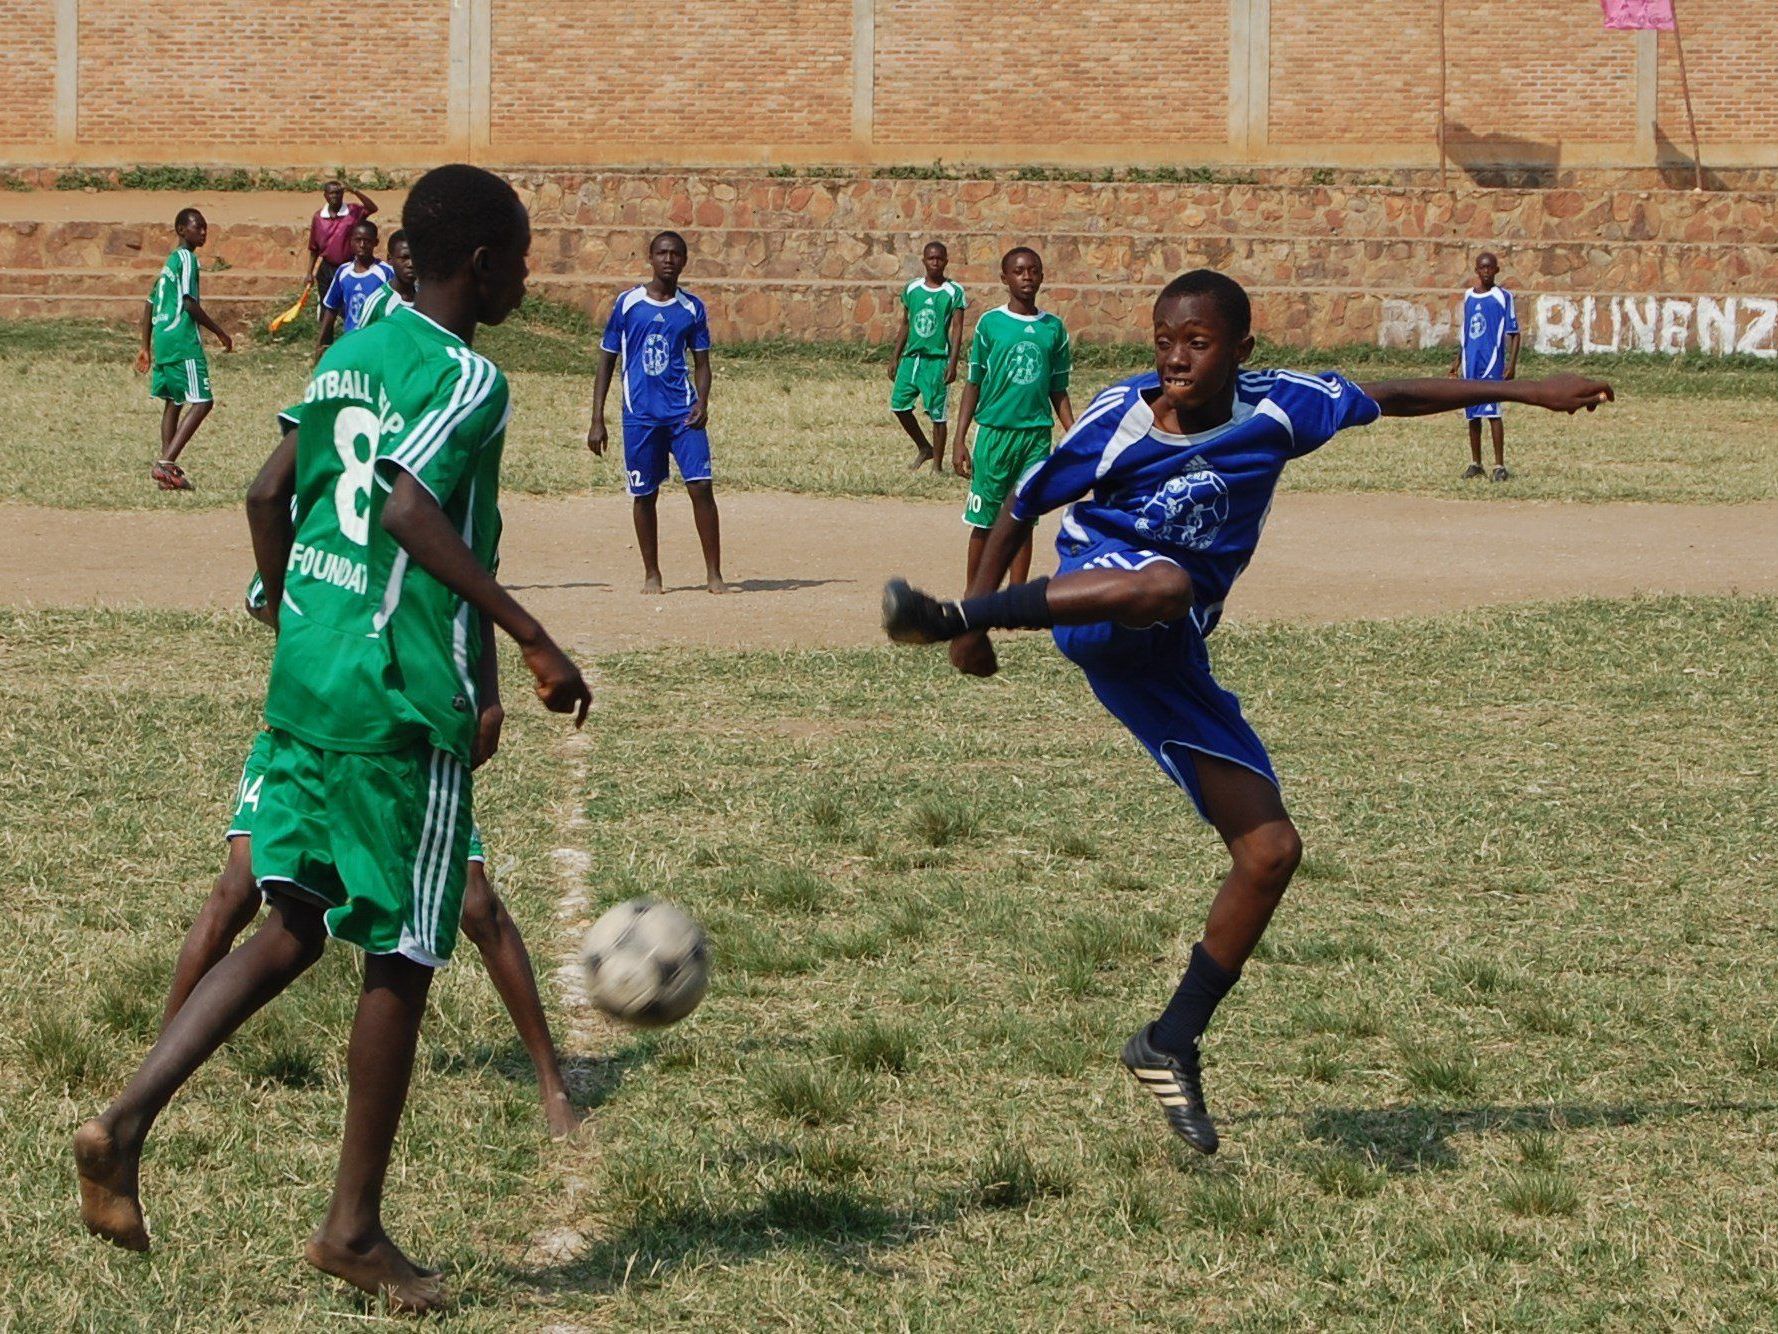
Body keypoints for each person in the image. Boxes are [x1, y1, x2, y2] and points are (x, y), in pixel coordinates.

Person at [882, 269, 1612, 1157]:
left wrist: (1529, 391)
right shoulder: (1118, 421)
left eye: (1196, 343)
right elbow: (1021, 501)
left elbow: (1394, 392)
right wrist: (971, 616)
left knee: (1271, 853)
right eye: (1162, 341)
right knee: (1161, 579)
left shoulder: (1280, 409)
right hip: (1105, 597)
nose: (1175, 359)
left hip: (1169, 653)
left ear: (1241, 351)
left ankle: (1170, 1040)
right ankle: (945, 619)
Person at [75, 164, 591, 1315]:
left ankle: (123, 1117)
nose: (526, 276)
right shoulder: (470, 377)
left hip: (309, 679)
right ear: (481, 264)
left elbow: (268, 493)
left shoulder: (347, 354)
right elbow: (409, 502)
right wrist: (533, 639)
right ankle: (352, 1227)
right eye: (518, 258)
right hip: (394, 700)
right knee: (401, 952)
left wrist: (282, 606)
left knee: (291, 919)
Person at [585, 230, 727, 595]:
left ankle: (714, 574)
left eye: (676, 254)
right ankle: (652, 574)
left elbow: (702, 363)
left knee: (701, 487)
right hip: (640, 416)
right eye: (662, 253)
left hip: (682, 414)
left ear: (684, 260)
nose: (668, 259)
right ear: (650, 257)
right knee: (645, 495)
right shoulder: (628, 303)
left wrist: (703, 402)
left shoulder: (692, 308)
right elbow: (607, 360)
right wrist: (597, 418)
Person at [952, 246, 1073, 588]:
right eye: (1019, 271)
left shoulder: (1054, 329)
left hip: (1035, 438)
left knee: (1023, 518)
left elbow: (1057, 389)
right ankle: (974, 596)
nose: (1027, 277)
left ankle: (1016, 597)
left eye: (1033, 270)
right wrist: (960, 440)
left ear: (1042, 276)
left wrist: (1073, 431)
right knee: (985, 520)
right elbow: (973, 384)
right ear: (1004, 279)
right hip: (994, 434)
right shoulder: (991, 324)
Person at [136, 207, 233, 491]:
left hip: (162, 340)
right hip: (182, 340)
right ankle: (165, 463)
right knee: (203, 402)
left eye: (205, 228)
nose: (203, 232)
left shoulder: (168, 263)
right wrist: (220, 333)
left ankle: (168, 472)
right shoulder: (187, 259)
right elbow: (189, 303)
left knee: (174, 401)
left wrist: (145, 346)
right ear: (181, 230)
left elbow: (149, 303)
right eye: (197, 227)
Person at [887, 241, 967, 471]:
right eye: (931, 258)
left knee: (937, 415)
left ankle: (937, 467)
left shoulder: (954, 291)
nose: (935, 262)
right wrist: (895, 357)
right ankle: (924, 447)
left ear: (946, 261)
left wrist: (953, 363)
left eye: (939, 259)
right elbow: (905, 324)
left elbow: (958, 330)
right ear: (923, 261)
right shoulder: (912, 289)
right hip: (912, 359)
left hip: (937, 361)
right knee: (899, 406)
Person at [1450, 251, 1520, 481]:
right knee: (1472, 414)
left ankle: (1499, 465)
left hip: (1492, 361)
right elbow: (1466, 332)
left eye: (1490, 267)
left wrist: (1511, 364)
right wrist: (1458, 360)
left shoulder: (1503, 296)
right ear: (1477, 270)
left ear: (1497, 270)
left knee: (1493, 412)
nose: (1486, 271)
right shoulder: (1469, 296)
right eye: (1482, 267)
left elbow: (1514, 333)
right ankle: (1475, 462)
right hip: (1472, 362)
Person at [314, 220, 395, 360]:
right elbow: (331, 308)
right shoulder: (343, 272)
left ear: (376, 243)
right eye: (358, 240)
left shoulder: (386, 272)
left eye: (367, 241)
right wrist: (321, 343)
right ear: (351, 241)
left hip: (377, 343)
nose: (362, 245)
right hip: (351, 340)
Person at [305, 180, 378, 305]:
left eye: (338, 193)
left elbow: (372, 208)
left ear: (343, 194)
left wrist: (354, 190)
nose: (334, 196)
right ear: (325, 195)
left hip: (348, 266)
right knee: (326, 305)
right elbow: (314, 248)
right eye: (331, 193)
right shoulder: (318, 218)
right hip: (327, 268)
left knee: (348, 304)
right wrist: (309, 273)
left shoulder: (353, 212)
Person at [355, 229, 418, 328]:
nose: (411, 264)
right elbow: (359, 340)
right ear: (390, 259)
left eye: (415, 257)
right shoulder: (377, 303)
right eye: (404, 258)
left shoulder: (426, 298)